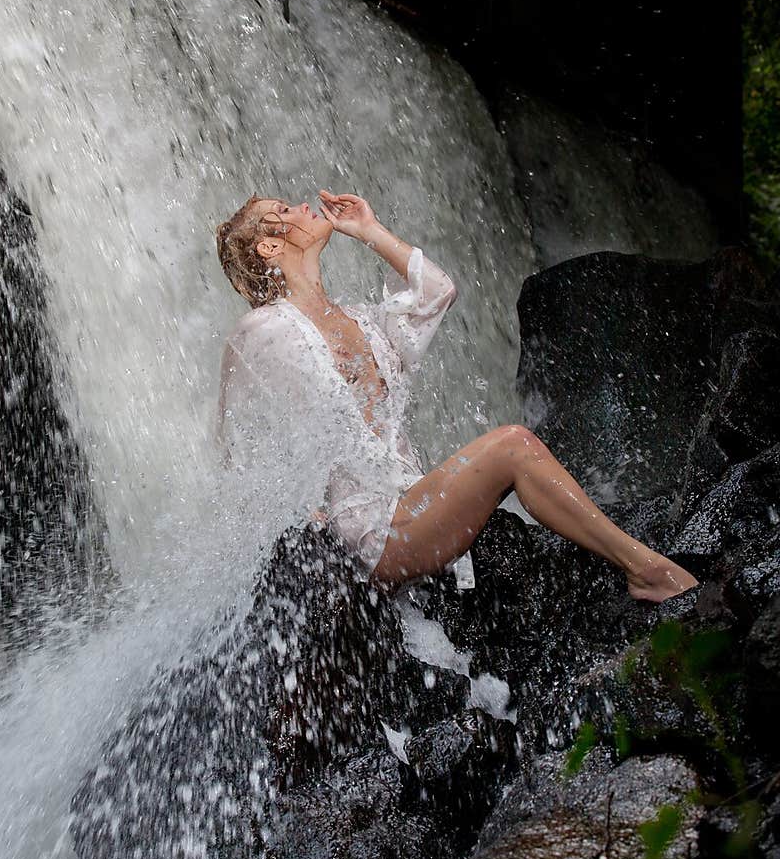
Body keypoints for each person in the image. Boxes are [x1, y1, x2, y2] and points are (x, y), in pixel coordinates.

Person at [214, 190, 699, 603]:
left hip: (411, 503)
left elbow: (436, 292)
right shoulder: (264, 329)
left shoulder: (361, 320)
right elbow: (234, 437)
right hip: (370, 529)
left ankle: (641, 567)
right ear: (270, 245)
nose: (303, 205)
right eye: (285, 208)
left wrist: (369, 230)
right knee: (513, 445)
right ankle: (646, 571)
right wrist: (301, 515)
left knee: (512, 448)